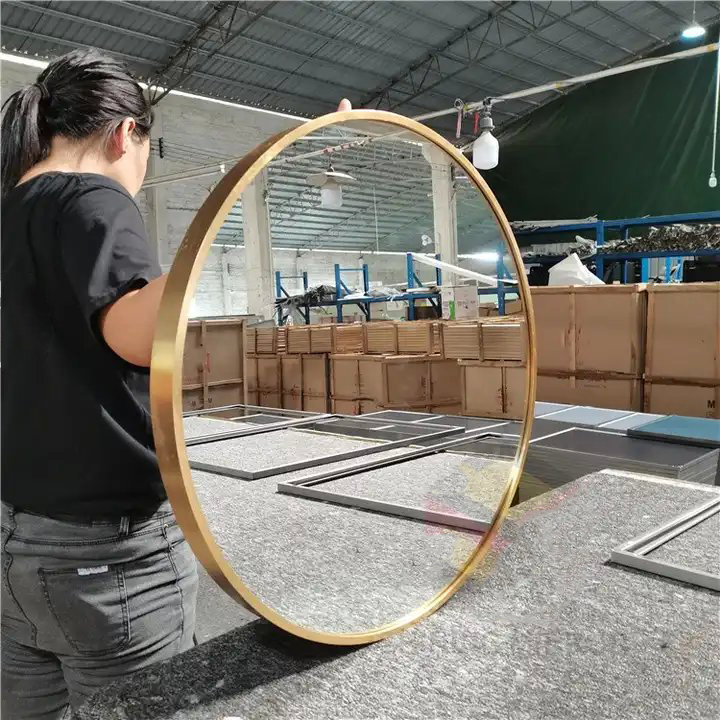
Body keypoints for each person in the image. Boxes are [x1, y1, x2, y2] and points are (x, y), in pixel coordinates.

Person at [1, 47, 353, 719]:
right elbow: (136, 333)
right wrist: (256, 179)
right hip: (105, 557)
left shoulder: (10, 211)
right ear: (123, 134)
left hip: (15, 543)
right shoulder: (92, 197)